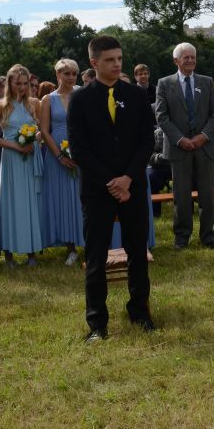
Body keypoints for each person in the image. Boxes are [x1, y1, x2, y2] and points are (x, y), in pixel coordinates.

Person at [68, 35, 156, 342]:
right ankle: (97, 323)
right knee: (96, 255)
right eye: (109, 60)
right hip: (97, 189)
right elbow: (79, 149)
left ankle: (140, 312)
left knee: (137, 251)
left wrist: (128, 178)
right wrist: (111, 181)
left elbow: (146, 141)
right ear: (94, 62)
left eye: (119, 58)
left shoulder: (136, 95)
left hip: (133, 186)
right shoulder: (80, 100)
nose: (117, 64)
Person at [154, 42, 214, 250]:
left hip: (205, 147)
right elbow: (161, 116)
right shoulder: (164, 84)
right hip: (178, 149)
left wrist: (203, 136)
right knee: (181, 196)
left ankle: (208, 236)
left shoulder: (206, 82)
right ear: (176, 60)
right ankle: (182, 237)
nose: (191, 60)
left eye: (193, 57)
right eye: (186, 57)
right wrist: (180, 139)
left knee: (207, 195)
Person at [0, 64, 44, 267]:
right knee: (10, 202)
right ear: (9, 83)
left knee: (30, 202)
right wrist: (16, 146)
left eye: (25, 83)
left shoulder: (34, 103)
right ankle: (9, 254)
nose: (22, 87)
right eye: (18, 83)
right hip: (11, 159)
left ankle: (32, 252)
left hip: (30, 157)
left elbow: (42, 130)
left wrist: (33, 140)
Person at [39, 59, 85, 265]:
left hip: (82, 152)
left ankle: (88, 241)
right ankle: (70, 247)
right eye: (66, 73)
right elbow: (44, 131)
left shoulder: (82, 94)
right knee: (62, 200)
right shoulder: (48, 99)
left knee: (82, 198)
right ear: (57, 75)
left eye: (74, 73)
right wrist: (59, 155)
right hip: (56, 156)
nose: (71, 77)